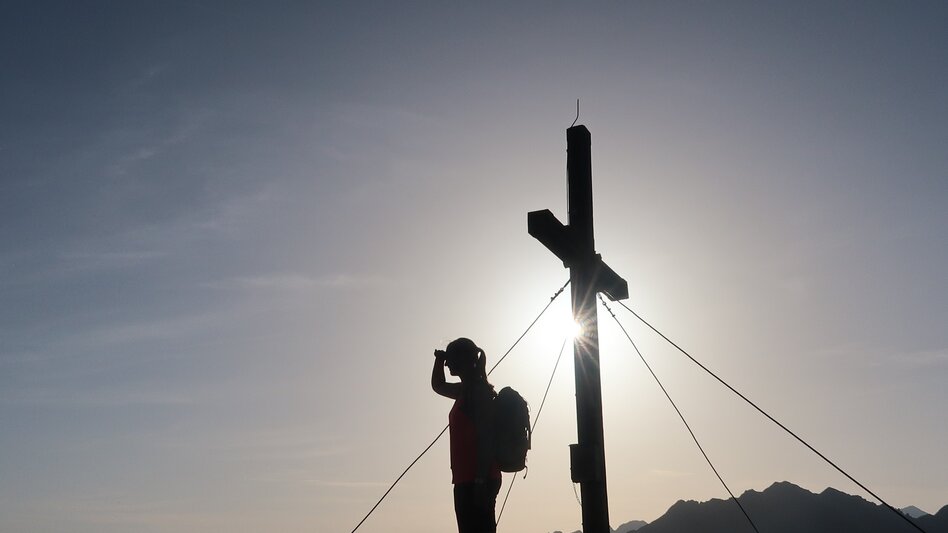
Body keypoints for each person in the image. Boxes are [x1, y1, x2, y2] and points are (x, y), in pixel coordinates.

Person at [432, 337, 503, 533]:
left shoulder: (477, 392)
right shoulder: (466, 390)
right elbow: (438, 385)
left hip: (478, 479)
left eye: (450, 358)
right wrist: (439, 359)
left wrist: (480, 480)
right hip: (468, 478)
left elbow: (486, 437)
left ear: (462, 359)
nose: (447, 363)